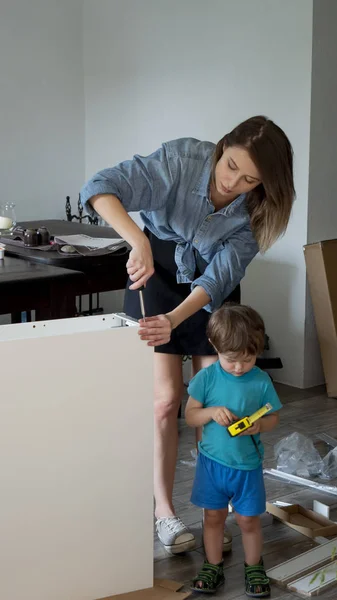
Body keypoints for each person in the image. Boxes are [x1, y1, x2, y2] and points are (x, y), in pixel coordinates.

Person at [80, 116, 295, 555]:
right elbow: (100, 187)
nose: (233, 182)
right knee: (165, 401)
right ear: (224, 146)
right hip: (155, 266)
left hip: (207, 293)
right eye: (231, 165)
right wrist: (136, 238)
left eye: (250, 179)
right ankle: (164, 512)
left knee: (218, 402)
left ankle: (212, 510)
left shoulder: (257, 210)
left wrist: (175, 319)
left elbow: (216, 281)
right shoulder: (183, 159)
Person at [185, 304, 282, 596]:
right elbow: (190, 416)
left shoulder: (261, 380)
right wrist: (211, 412)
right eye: (231, 360)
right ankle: (213, 565)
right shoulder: (206, 378)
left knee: (248, 520)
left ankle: (254, 565)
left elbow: (273, 416)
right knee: (212, 518)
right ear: (215, 346)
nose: (239, 367)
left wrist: (259, 426)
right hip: (212, 464)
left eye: (248, 359)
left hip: (247, 465)